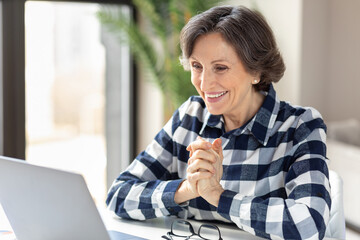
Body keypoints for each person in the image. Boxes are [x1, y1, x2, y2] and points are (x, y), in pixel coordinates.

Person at [106, 5, 330, 240]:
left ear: (257, 71)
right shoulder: (191, 115)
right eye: (197, 66)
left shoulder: (299, 126)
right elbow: (118, 195)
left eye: (220, 68)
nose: (205, 83)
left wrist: (219, 196)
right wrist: (186, 189)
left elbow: (309, 225)